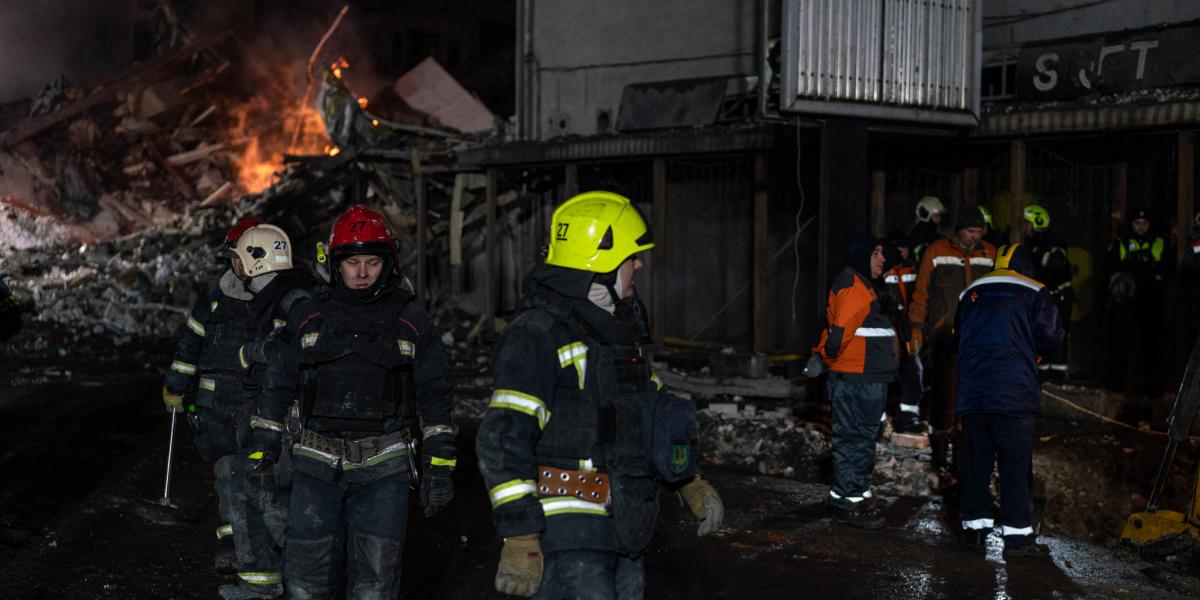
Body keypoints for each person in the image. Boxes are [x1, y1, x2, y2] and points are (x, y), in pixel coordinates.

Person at [477, 191, 724, 599]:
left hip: (622, 526)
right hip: (566, 535)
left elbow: (648, 414)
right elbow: (501, 439)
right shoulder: (537, 335)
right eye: (631, 257)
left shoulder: (617, 333)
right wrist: (520, 535)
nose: (639, 264)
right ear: (600, 265)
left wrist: (688, 480)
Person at [253, 204, 457, 599]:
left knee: (375, 587)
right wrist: (263, 447)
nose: (362, 273)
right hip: (315, 469)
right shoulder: (309, 316)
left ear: (389, 264)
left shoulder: (411, 322)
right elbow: (279, 381)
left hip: (384, 473)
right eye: (352, 263)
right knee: (304, 584)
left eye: (371, 263)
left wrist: (441, 466)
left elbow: (435, 395)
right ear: (334, 263)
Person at [218, 224, 317, 600]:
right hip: (268, 416)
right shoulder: (276, 298)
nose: (235, 267)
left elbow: (297, 355)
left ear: (255, 262)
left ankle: (301, 586)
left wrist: (259, 351)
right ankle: (261, 584)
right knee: (245, 486)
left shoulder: (294, 300)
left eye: (239, 259)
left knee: (270, 498)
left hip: (287, 426)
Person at [161, 215, 261, 579]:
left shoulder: (283, 298)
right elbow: (191, 343)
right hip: (217, 407)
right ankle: (230, 544)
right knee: (225, 471)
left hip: (261, 406)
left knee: (258, 473)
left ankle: (258, 543)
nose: (242, 264)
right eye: (236, 256)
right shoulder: (216, 294)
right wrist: (175, 385)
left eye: (250, 255)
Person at [955, 244, 1064, 558]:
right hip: (1012, 394)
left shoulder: (970, 291)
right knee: (1014, 466)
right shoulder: (1034, 290)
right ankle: (1017, 539)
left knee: (976, 464)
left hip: (974, 392)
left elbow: (957, 334)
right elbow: (1052, 337)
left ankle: (974, 533)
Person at [812, 234, 898, 528]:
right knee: (852, 439)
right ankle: (846, 504)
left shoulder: (865, 286)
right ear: (862, 255)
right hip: (854, 377)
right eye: (876, 252)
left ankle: (856, 494)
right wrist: (824, 357)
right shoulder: (853, 284)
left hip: (866, 376)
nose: (882, 258)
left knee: (861, 439)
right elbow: (839, 336)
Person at [908, 206, 996, 473]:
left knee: (973, 398)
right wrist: (916, 328)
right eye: (971, 231)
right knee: (944, 396)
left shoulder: (990, 253)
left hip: (979, 338)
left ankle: (963, 457)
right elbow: (921, 292)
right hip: (944, 337)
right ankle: (939, 454)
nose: (975, 237)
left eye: (979, 231)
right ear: (959, 230)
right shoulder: (936, 251)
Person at [1104, 207, 1166, 393]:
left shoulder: (1158, 242)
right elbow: (1112, 266)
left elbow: (1164, 268)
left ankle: (1152, 388)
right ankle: (1117, 386)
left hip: (1150, 302)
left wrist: (1147, 267)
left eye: (1144, 224)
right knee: (1120, 345)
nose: (1140, 227)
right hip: (1126, 303)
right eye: (1137, 224)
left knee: (1151, 346)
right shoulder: (1122, 242)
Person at [1022, 204, 1073, 380]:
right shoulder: (1029, 244)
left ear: (1036, 223)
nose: (1023, 227)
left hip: (1058, 300)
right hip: (1041, 301)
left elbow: (1055, 262)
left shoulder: (1054, 241)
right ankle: (1040, 378)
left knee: (1056, 339)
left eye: (1026, 223)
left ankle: (1058, 379)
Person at [880, 231, 924, 434]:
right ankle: (879, 420)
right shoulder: (884, 271)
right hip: (888, 330)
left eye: (904, 247)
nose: (901, 251)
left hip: (907, 329)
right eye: (898, 248)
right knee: (881, 372)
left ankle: (909, 416)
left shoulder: (914, 269)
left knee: (913, 369)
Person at [907, 196, 946, 264]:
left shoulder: (933, 231)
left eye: (939, 215)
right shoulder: (919, 233)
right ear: (926, 214)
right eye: (936, 216)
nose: (939, 219)